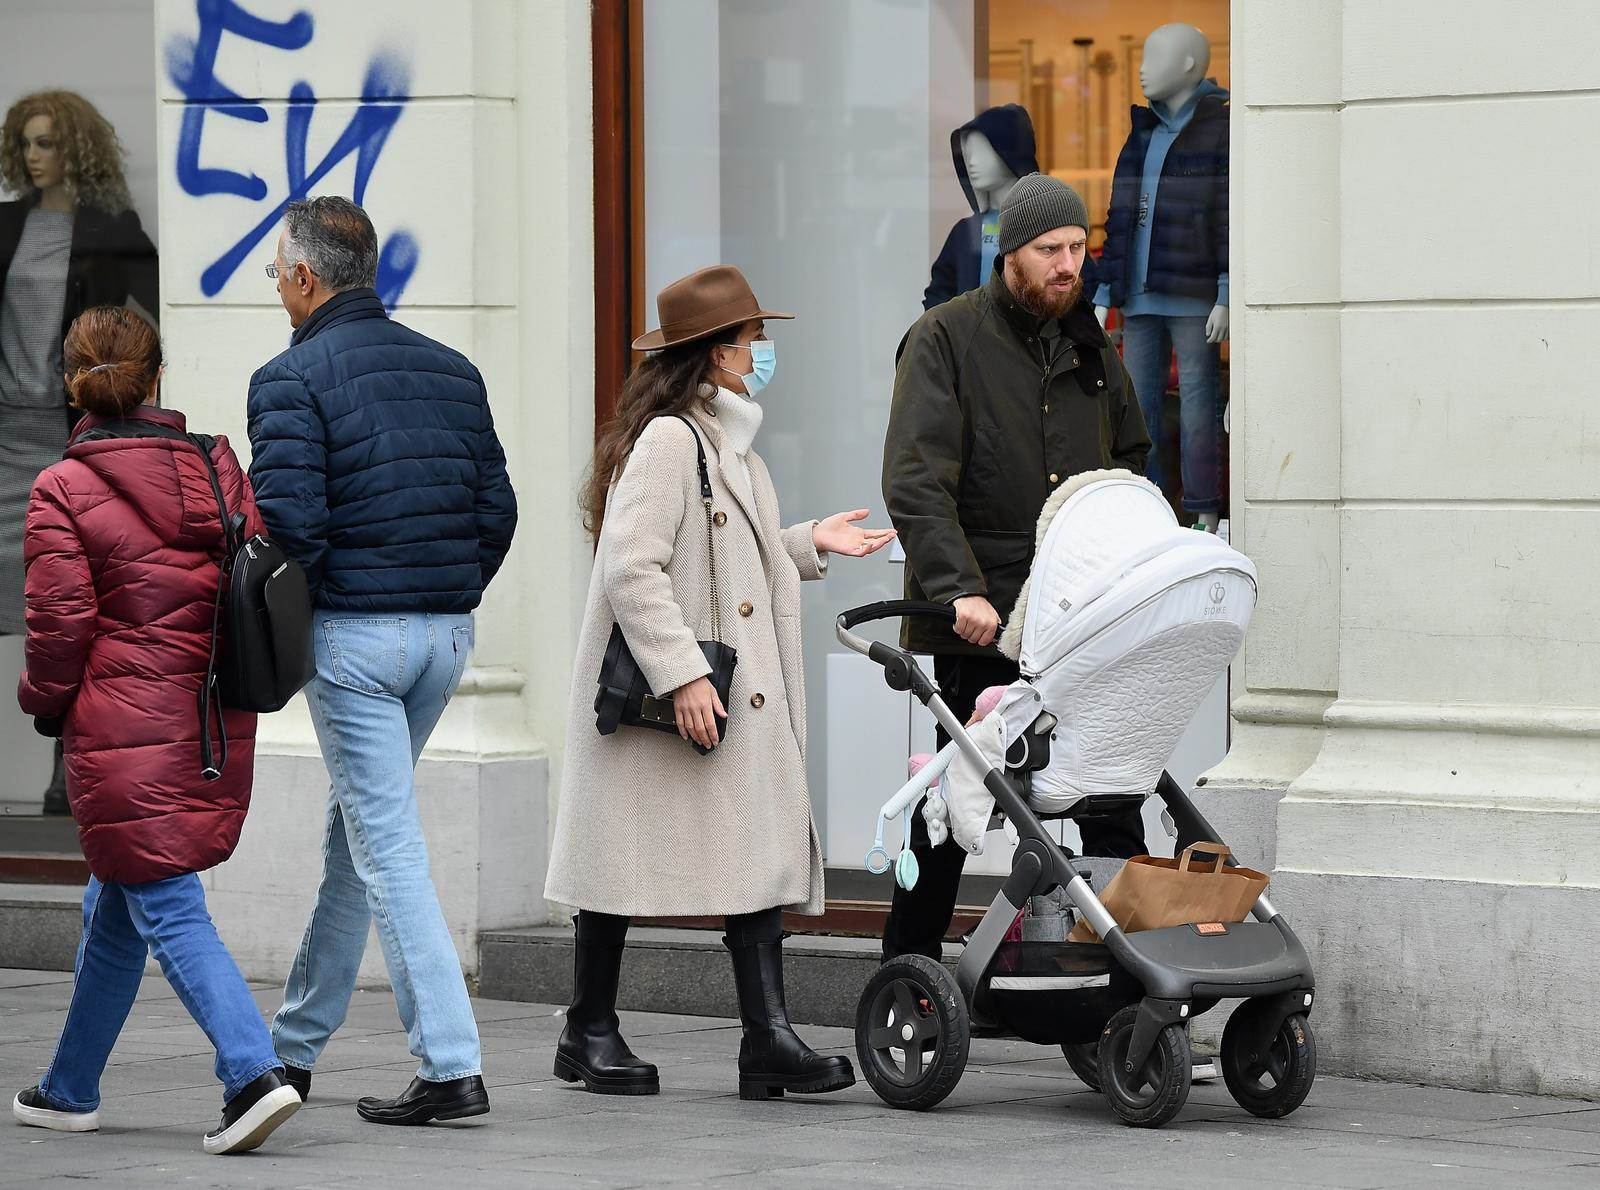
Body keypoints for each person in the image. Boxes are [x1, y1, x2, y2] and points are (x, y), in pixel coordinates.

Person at [544, 264, 896, 1100]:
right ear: (714, 355)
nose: (763, 351)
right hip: (690, 693)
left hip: (725, 692)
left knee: (749, 849)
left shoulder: (717, 435)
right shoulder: (674, 439)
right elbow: (631, 565)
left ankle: (763, 1038)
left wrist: (807, 541)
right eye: (751, 339)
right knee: (619, 859)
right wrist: (682, 675)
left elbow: (730, 547)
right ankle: (590, 1029)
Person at [249, 196, 517, 1126]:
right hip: (445, 639)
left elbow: (291, 529)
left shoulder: (289, 377)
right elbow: (499, 516)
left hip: (355, 641)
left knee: (387, 848)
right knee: (354, 839)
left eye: (277, 270)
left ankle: (450, 1066)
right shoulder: (453, 370)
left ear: (307, 278)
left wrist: (325, 615)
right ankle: (291, 1050)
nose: (276, 285)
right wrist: (444, 589)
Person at [11, 306, 299, 1155]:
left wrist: (41, 704)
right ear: (159, 376)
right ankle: (69, 1090)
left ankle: (253, 1073)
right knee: (119, 897)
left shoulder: (62, 488)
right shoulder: (217, 468)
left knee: (165, 900)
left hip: (118, 727)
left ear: (73, 386)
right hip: (209, 717)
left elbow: (61, 631)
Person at [881, 174, 1153, 963]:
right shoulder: (943, 339)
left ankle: (1128, 979)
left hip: (1080, 619)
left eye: (1077, 248)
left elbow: (1131, 466)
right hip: (982, 620)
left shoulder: (1090, 345)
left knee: (1108, 797)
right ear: (1011, 254)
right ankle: (909, 969)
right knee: (955, 806)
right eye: (1050, 251)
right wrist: (957, 587)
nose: (1068, 265)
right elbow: (915, 478)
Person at [1, 89, 158, 814]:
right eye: (26, 142)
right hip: (4, 439)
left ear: (76, 149)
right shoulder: (4, 225)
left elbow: (149, 318)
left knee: (70, 604)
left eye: (48, 142)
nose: (35, 156)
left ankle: (67, 773)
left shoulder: (108, 229)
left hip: (67, 438)